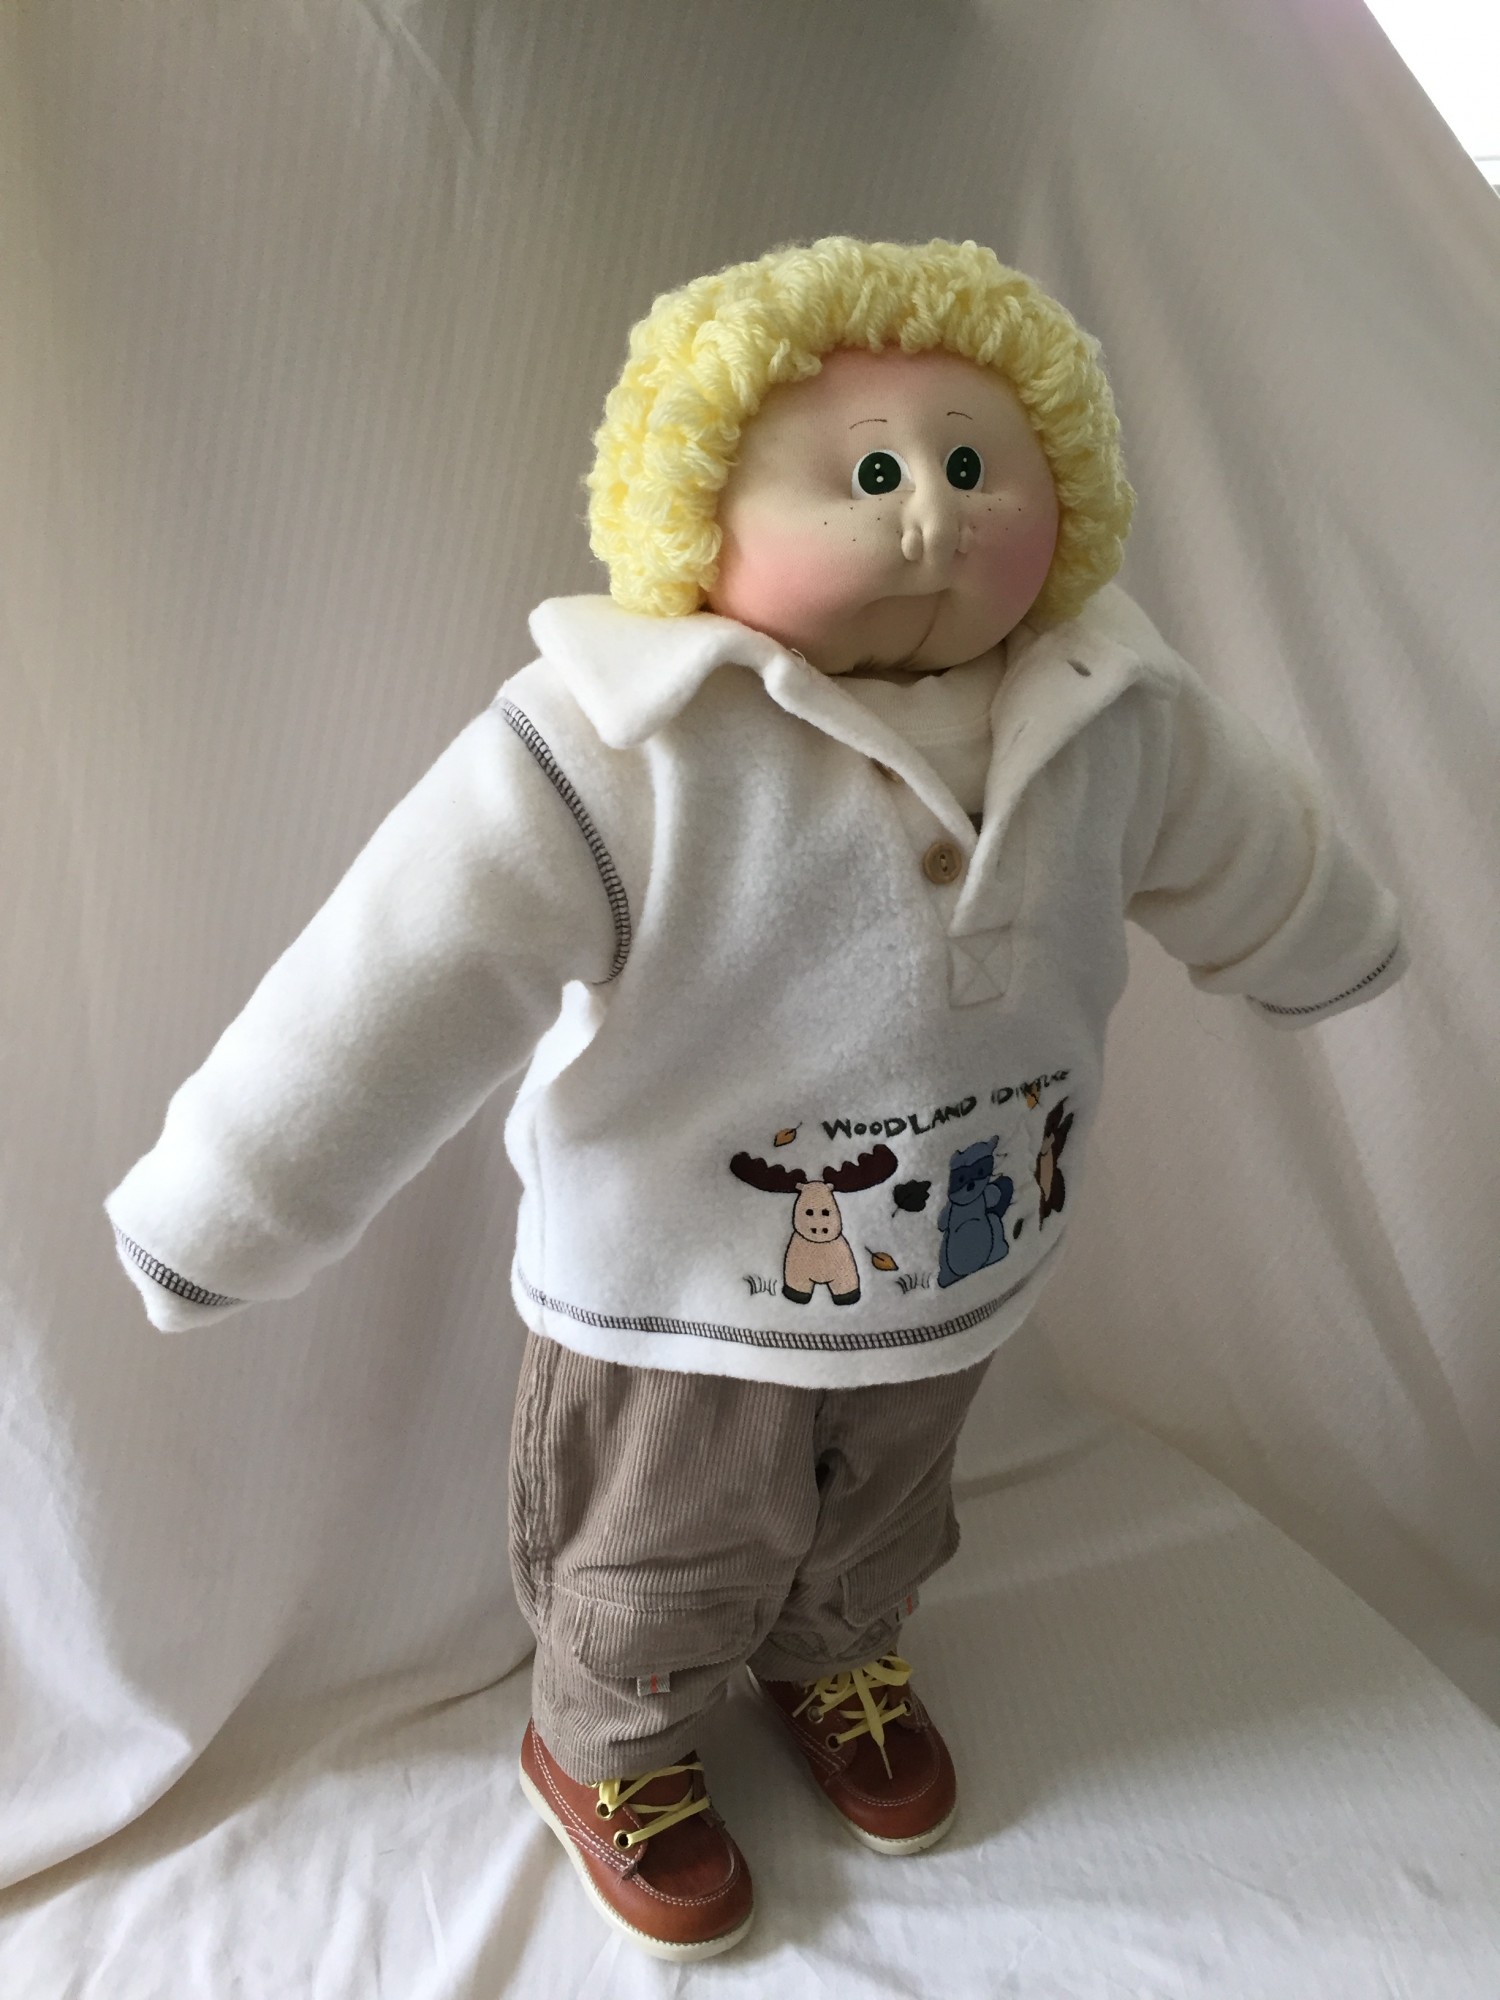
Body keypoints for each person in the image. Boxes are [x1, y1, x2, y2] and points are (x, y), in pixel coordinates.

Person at [106, 237, 1405, 1961]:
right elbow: (393, 977)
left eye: (973, 461)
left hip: (959, 1263)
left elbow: (1250, 847)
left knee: (887, 1501)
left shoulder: (1115, 707)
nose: (931, 511)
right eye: (867, 474)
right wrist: (225, 1208)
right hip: (678, 1297)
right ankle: (610, 1737)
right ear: (696, 509)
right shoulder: (621, 745)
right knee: (665, 1536)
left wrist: (1331, 946)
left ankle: (834, 1648)